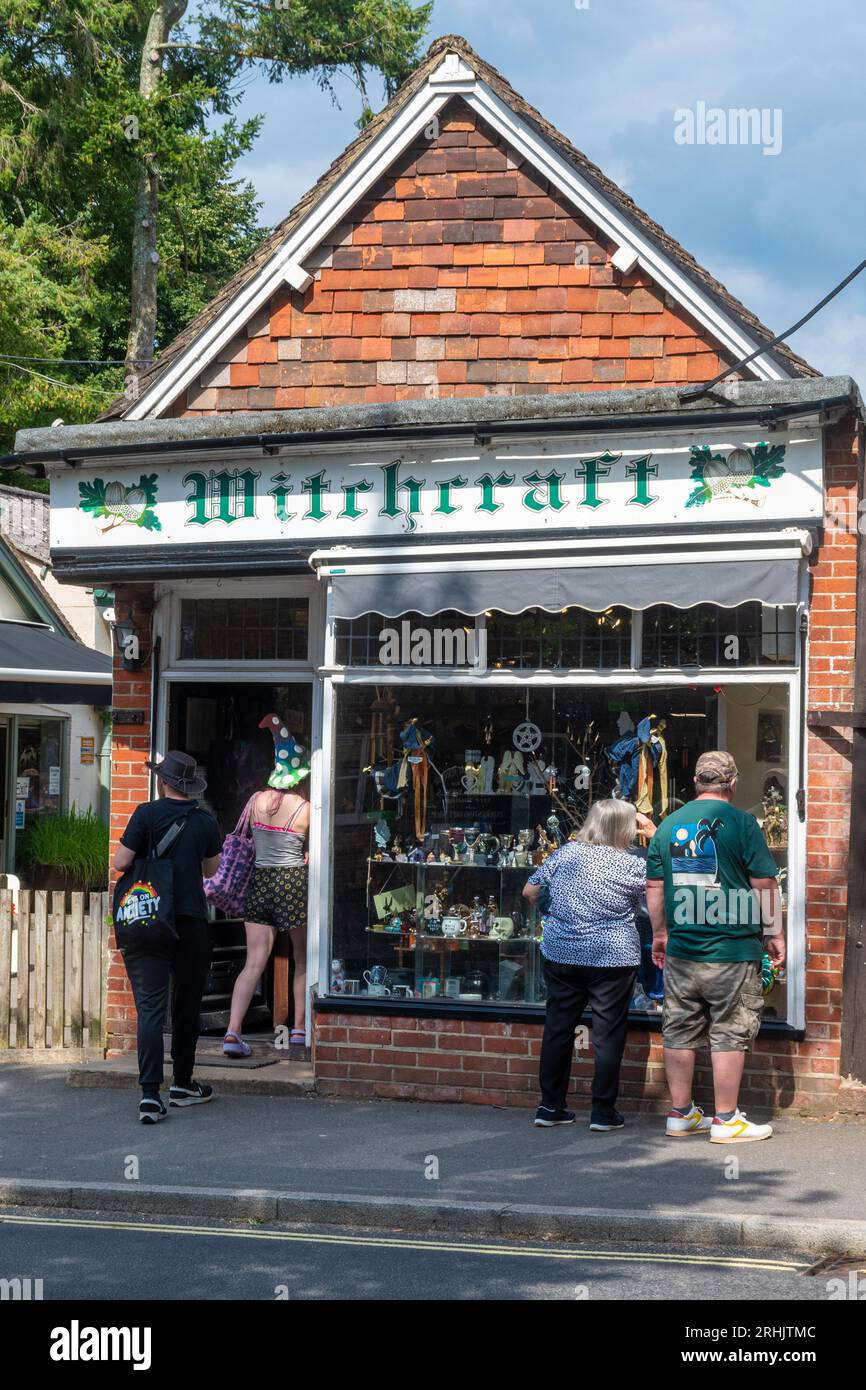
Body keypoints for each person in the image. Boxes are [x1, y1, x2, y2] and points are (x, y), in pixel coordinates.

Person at [646, 750, 786, 1143]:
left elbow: (654, 886)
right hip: (731, 950)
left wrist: (660, 934)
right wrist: (775, 933)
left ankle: (680, 1114)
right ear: (733, 784)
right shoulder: (742, 823)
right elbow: (763, 884)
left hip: (682, 950)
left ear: (695, 783)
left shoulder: (669, 824)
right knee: (730, 1030)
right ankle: (726, 1120)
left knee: (679, 1028)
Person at [523, 800, 657, 1132]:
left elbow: (530, 890)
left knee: (558, 1028)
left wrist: (555, 911)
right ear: (625, 828)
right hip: (612, 956)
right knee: (608, 1034)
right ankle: (602, 1112)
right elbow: (661, 888)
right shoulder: (632, 863)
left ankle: (550, 1106)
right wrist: (654, 835)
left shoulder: (566, 853)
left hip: (562, 952)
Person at [114, 751, 222, 1125]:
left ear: (163, 782)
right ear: (190, 787)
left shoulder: (145, 814)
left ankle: (149, 1096)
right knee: (187, 1006)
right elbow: (210, 870)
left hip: (148, 919)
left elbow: (120, 862)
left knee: (150, 1009)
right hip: (190, 921)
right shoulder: (205, 821)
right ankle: (183, 1084)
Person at [223, 726, 311, 1056]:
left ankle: (233, 1031)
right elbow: (312, 851)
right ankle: (299, 1030)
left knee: (253, 963)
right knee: (301, 960)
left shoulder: (256, 801)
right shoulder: (304, 808)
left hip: (260, 883)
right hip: (292, 884)